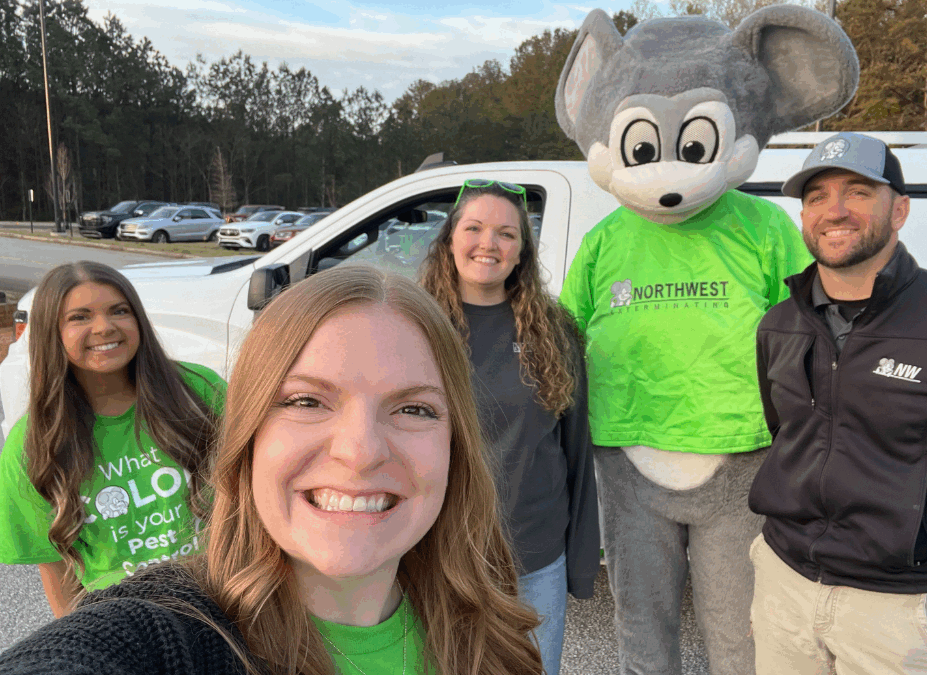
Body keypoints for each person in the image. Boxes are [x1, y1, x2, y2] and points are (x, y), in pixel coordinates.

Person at [0, 265, 544, 675]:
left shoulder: (496, 642)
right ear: (246, 443)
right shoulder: (166, 638)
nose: (360, 452)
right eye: (306, 401)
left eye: (414, 408)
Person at [748, 132, 927, 673]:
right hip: (786, 581)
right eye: (816, 197)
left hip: (900, 606)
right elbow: (785, 438)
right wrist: (774, 587)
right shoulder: (779, 325)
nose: (835, 211)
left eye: (858, 192)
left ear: (899, 210)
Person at [420, 178, 600, 675]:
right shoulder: (415, 326)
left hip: (534, 556)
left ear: (522, 251)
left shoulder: (553, 329)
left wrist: (581, 560)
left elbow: (576, 451)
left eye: (506, 233)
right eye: (474, 228)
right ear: (450, 239)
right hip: (442, 556)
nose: (488, 244)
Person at [0, 261, 225, 617]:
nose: (104, 327)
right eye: (79, 317)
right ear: (49, 333)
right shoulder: (31, 445)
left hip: (226, 603)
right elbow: (55, 571)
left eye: (119, 311)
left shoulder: (200, 390)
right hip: (124, 621)